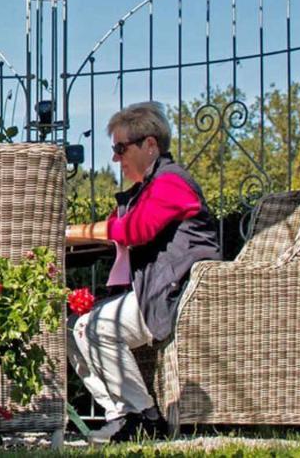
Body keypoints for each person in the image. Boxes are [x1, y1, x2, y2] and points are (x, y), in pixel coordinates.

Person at [65, 101, 220, 443]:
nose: (115, 159)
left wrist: (65, 233)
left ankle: (143, 417)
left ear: (150, 145)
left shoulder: (171, 183)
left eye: (120, 148)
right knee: (73, 328)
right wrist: (69, 232)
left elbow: (133, 230)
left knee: (94, 326)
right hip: (163, 289)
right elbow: (118, 227)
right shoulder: (152, 187)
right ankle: (122, 416)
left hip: (178, 294)